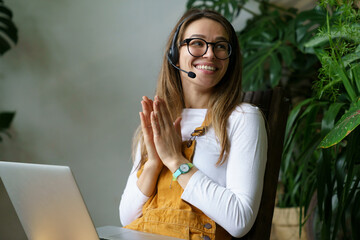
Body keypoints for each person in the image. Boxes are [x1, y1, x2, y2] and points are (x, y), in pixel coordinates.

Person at [119, 8, 267, 240]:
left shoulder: (243, 118)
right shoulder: (160, 121)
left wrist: (175, 160)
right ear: (173, 54)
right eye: (197, 43)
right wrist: (154, 162)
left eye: (220, 46)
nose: (210, 54)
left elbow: (239, 220)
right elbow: (127, 219)